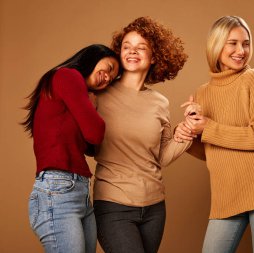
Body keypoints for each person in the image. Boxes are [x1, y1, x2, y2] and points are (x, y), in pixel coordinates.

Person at [174, 16, 254, 253]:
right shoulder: (202, 92)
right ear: (216, 45)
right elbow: (210, 152)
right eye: (232, 43)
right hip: (225, 194)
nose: (241, 51)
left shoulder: (253, 79)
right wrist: (187, 134)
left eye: (245, 44)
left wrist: (207, 127)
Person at [92, 16, 190, 253]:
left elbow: (162, 157)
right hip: (113, 204)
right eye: (127, 47)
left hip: (155, 208)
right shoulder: (99, 94)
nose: (132, 52)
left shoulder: (160, 102)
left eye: (141, 47)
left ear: (154, 56)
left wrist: (187, 132)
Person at [22, 44, 120, 253]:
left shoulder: (76, 94)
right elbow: (95, 133)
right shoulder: (67, 76)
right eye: (110, 68)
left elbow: (93, 148)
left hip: (80, 191)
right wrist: (93, 108)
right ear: (95, 56)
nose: (108, 78)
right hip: (57, 191)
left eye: (112, 79)